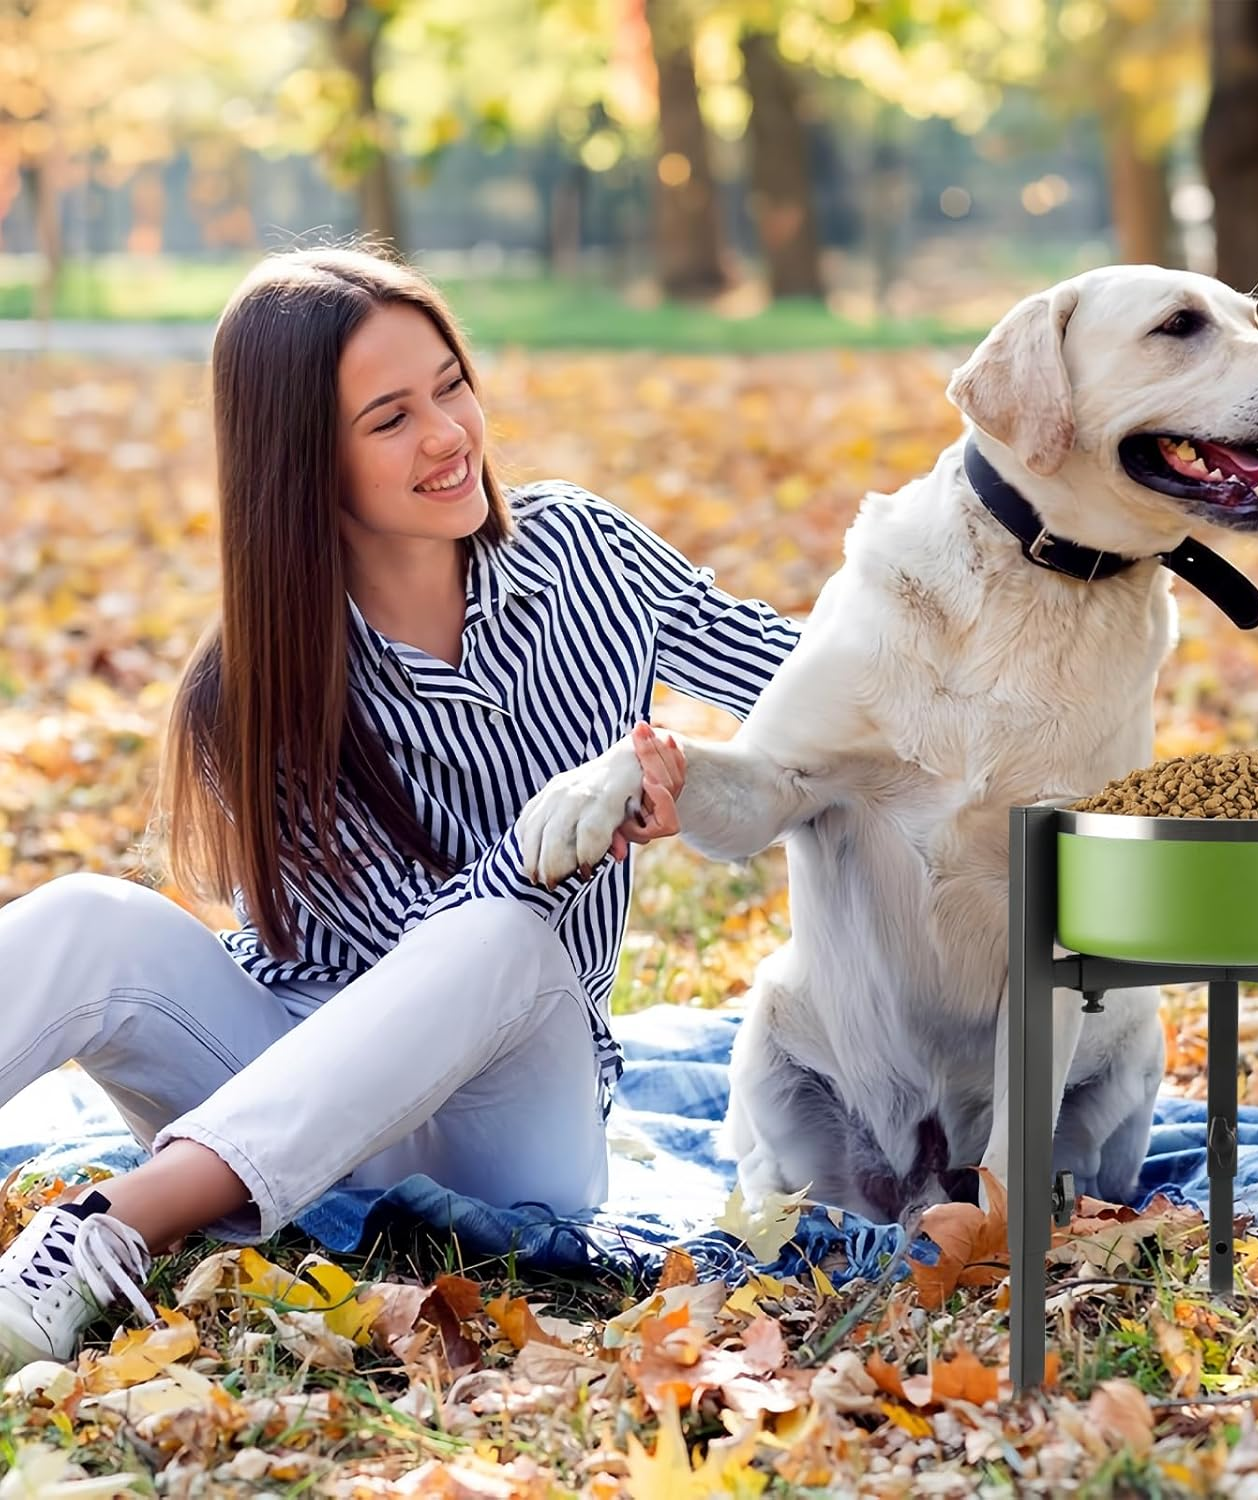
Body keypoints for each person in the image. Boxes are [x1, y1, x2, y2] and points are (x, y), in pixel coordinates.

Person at [0, 244, 801, 1373]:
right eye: (389, 419)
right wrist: (549, 842)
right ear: (304, 462)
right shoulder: (256, 683)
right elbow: (389, 975)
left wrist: (700, 773)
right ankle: (143, 1207)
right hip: (294, 1094)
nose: (448, 435)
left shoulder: (591, 555)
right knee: (88, 914)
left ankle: (113, 1229)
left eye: (451, 386)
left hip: (509, 1130)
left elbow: (812, 687)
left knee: (512, 937)